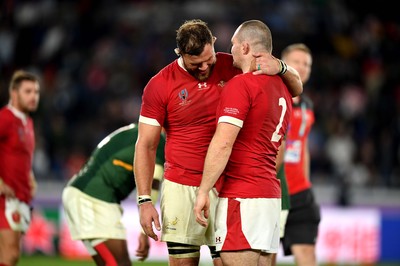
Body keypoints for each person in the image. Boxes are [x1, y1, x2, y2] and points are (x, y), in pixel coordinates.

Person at [134, 19, 302, 266]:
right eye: (195, 64)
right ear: (179, 53)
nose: (204, 67)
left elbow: (295, 87)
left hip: (224, 187)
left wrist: (281, 66)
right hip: (182, 186)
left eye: (208, 59)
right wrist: (144, 199)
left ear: (213, 43)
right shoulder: (160, 85)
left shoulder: (233, 65)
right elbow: (146, 145)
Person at [193, 19, 293, 266]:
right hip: (269, 196)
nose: (231, 49)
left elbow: (223, 143)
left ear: (246, 47)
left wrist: (203, 190)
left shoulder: (242, 84)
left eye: (234, 44)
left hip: (243, 196)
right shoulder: (285, 88)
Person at [62, 123, 165, 266]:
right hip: (92, 198)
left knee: (114, 263)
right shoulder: (156, 137)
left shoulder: (138, 130)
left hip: (91, 195)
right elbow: (152, 182)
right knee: (118, 263)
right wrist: (145, 230)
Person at [281, 43, 321, 266]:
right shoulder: (271, 95)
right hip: (272, 191)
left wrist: (306, 181)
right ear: (284, 63)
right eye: (297, 62)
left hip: (300, 192)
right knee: (265, 256)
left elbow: (302, 145)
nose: (303, 67)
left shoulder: (307, 105)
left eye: (307, 64)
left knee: (307, 254)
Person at [0, 70, 40, 266]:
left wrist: (30, 178)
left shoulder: (28, 122)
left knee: (10, 256)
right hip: (5, 198)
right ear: (14, 94)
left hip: (21, 196)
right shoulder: (5, 118)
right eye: (28, 91)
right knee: (10, 255)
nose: (34, 96)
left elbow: (21, 157)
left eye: (36, 92)